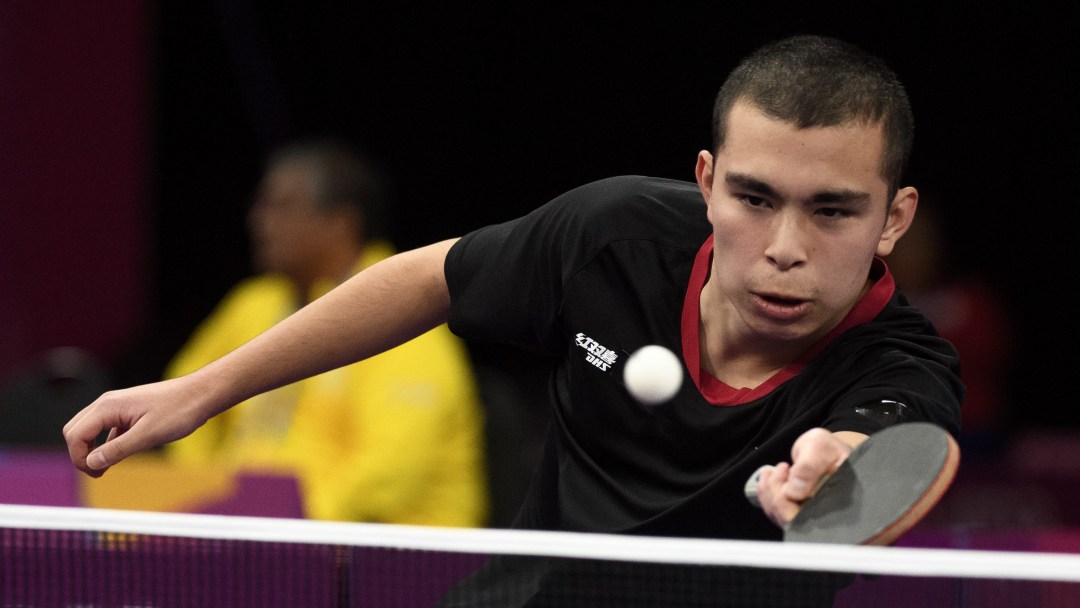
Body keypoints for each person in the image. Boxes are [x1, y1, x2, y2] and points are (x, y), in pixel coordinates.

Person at [64, 35, 963, 605]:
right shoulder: (613, 236)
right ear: (705, 181)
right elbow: (432, 277)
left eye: (833, 211)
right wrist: (202, 391)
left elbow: (888, 442)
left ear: (894, 217)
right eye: (754, 198)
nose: (783, 246)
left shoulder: (896, 366)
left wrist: (832, 470)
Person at [158, 138, 489, 527]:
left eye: (283, 206)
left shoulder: (404, 316)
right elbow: (183, 394)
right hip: (258, 540)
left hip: (382, 561)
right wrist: (207, 496)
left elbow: (392, 470)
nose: (259, 220)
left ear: (340, 223)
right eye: (261, 204)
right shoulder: (253, 303)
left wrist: (293, 527)